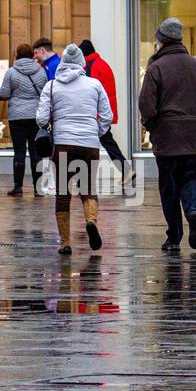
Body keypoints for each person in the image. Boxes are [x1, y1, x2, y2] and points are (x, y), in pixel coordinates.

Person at [139, 18, 196, 251]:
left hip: (167, 135)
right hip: (193, 134)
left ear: (160, 40)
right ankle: (192, 209)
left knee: (169, 185)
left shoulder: (156, 67)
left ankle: (174, 236)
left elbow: (146, 104)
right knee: (191, 176)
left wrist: (152, 127)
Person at [36, 43, 111, 255]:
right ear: (81, 63)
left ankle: (65, 243)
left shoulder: (51, 86)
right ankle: (91, 221)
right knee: (88, 189)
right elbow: (107, 116)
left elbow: (41, 118)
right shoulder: (94, 84)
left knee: (62, 194)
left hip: (62, 144)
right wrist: (95, 133)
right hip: (89, 145)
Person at [0, 43, 47, 195]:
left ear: (17, 55)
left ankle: (18, 186)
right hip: (35, 116)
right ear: (32, 54)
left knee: (19, 152)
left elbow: (3, 94)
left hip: (17, 117)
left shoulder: (11, 72)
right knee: (35, 153)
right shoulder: (40, 71)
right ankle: (38, 188)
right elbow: (45, 92)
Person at [79, 39, 129, 174]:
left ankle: (81, 178)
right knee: (107, 142)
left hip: (97, 114)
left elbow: (90, 92)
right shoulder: (100, 63)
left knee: (89, 144)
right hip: (103, 112)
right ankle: (126, 171)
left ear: (84, 55)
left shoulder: (91, 66)